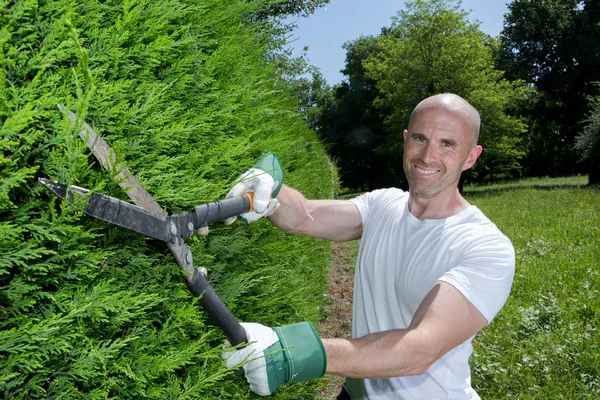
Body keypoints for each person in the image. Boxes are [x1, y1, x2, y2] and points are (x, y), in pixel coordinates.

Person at [221, 93, 515, 399]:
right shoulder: (383, 204)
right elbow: (305, 216)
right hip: (355, 392)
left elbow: (420, 349)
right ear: (405, 140)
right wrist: (271, 190)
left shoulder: (485, 246)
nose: (428, 156)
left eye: (447, 144)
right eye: (420, 138)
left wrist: (295, 351)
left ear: (471, 156)